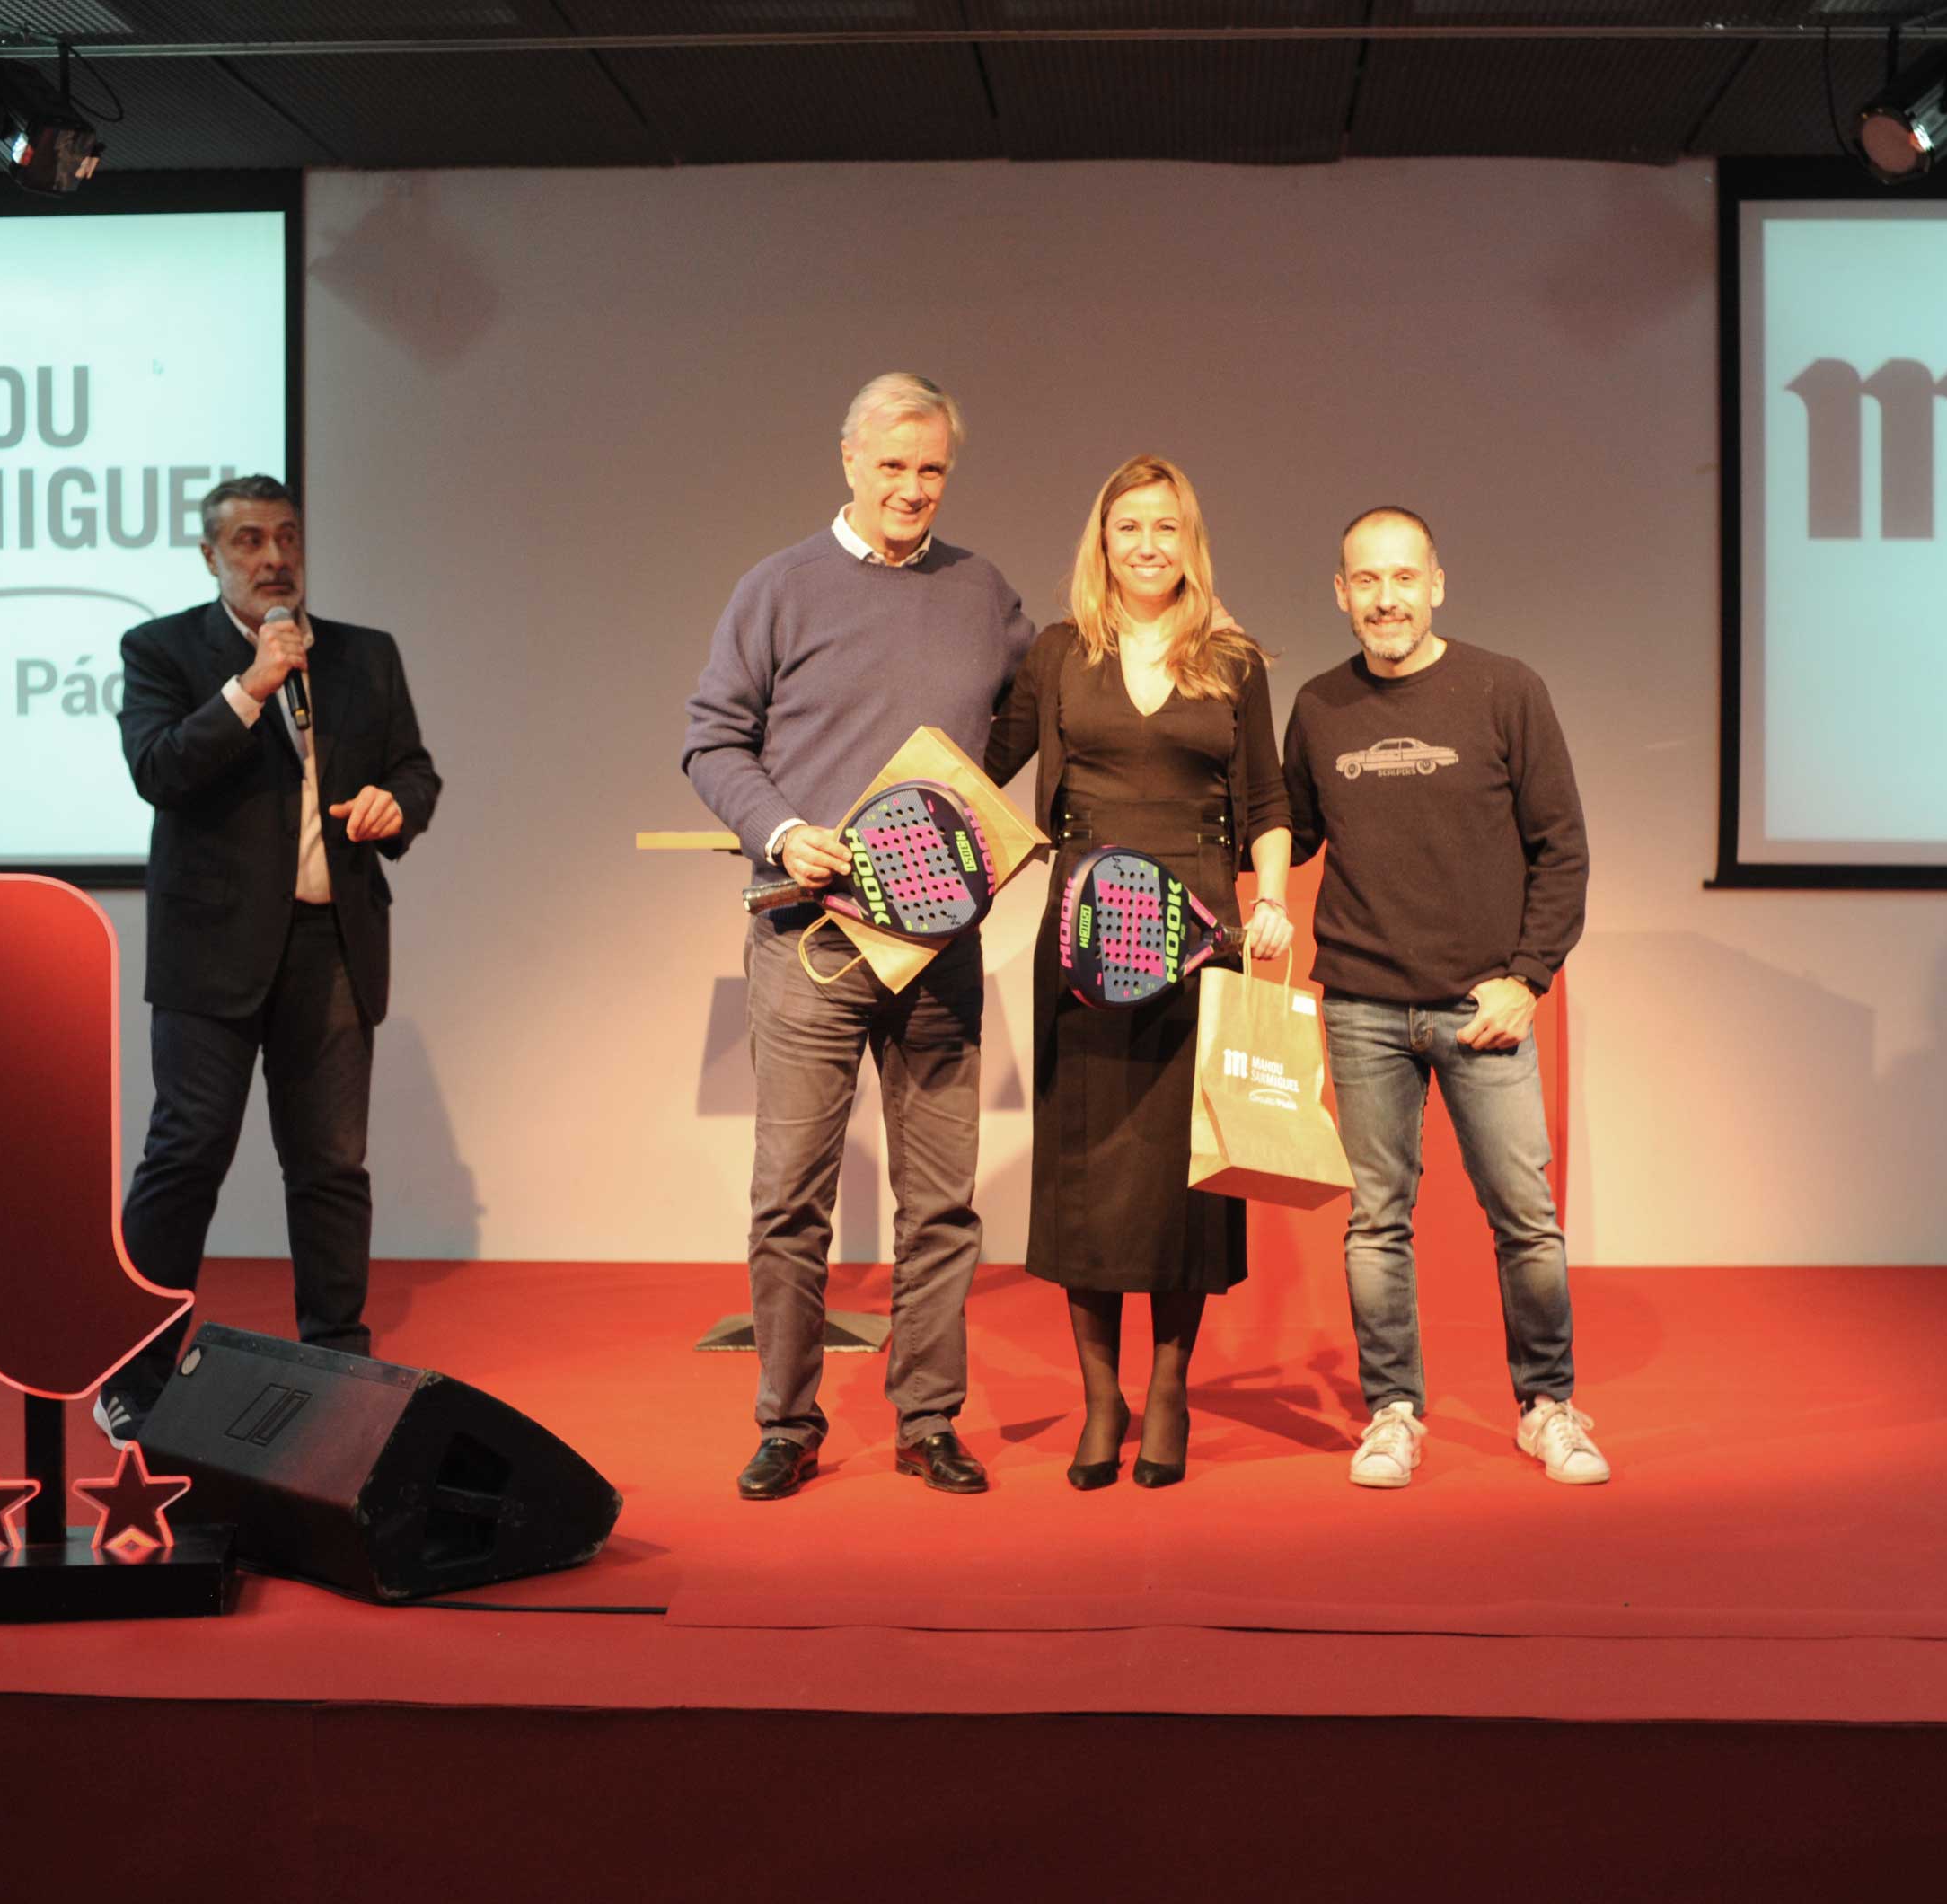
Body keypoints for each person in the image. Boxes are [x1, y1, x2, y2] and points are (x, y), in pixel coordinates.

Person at [683, 373, 1038, 1501]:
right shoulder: (778, 587)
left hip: (937, 946)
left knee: (942, 1202)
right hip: (809, 942)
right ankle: (787, 1422)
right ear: (848, 461)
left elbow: (1032, 716)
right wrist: (783, 832)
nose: (912, 488)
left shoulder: (982, 591)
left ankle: (928, 1419)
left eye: (931, 469)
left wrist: (966, 825)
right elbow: (710, 739)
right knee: (791, 1196)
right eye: (892, 465)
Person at [96, 475, 442, 1445]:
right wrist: (250, 685)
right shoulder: (163, 650)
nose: (274, 557)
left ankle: (339, 1361)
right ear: (211, 556)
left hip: (331, 942)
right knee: (186, 1155)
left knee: (330, 1165)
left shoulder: (364, 655)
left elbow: (415, 770)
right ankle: (133, 1370)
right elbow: (158, 769)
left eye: (286, 537)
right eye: (248, 540)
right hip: (210, 951)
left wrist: (397, 806)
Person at [982, 455, 1291, 1490]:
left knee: (1181, 1174)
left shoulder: (1232, 660)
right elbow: (978, 769)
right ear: (1101, 541)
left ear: (1189, 540)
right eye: (1128, 527)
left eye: (1166, 526)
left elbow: (1266, 802)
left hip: (1200, 937)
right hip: (1084, 943)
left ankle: (1166, 1386)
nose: (1147, 544)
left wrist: (1271, 900)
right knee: (1085, 1169)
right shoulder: (1059, 653)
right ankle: (1099, 1395)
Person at [1279, 506, 1599, 1489]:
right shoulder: (1317, 706)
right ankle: (1392, 1413)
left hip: (1482, 1006)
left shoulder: (1506, 690)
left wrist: (1527, 976)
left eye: (1404, 578)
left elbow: (1562, 849)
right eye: (1367, 581)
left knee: (1525, 1216)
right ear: (1341, 593)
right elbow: (1287, 833)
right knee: (1376, 1221)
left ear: (1437, 584)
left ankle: (1547, 1406)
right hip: (1361, 1003)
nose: (1387, 599)